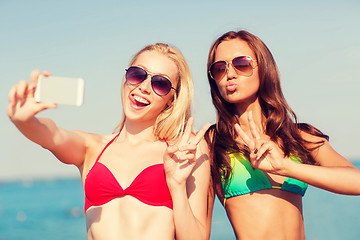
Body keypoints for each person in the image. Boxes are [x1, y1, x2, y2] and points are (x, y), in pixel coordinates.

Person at [7, 43, 214, 240]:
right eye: (137, 75)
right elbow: (51, 136)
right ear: (126, 79)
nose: (144, 87)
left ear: (172, 99)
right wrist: (24, 120)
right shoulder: (92, 148)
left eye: (160, 83)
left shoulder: (185, 151)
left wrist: (176, 185)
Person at [204, 30, 360, 240]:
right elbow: (197, 229)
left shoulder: (299, 136)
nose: (230, 74)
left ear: (264, 68)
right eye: (220, 68)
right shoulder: (212, 143)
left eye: (241, 63)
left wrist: (287, 167)